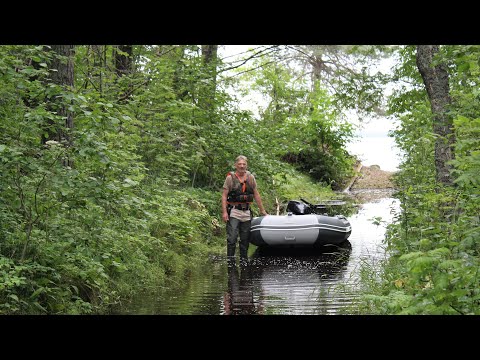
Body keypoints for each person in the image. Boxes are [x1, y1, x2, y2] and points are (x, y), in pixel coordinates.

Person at [221, 155, 268, 260]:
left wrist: (263, 211)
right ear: (235, 165)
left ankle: (244, 261)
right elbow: (224, 196)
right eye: (239, 164)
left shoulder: (251, 178)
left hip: (246, 212)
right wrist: (224, 212)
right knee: (232, 238)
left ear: (247, 165)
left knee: (245, 239)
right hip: (234, 211)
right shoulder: (230, 178)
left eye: (244, 164)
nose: (242, 166)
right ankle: (230, 261)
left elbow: (256, 195)